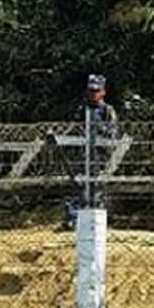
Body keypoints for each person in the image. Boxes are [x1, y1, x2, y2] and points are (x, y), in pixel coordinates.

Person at [63, 74, 120, 230]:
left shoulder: (108, 110)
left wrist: (97, 129)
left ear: (103, 92)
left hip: (101, 155)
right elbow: (74, 128)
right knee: (79, 186)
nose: (93, 94)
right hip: (83, 155)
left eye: (96, 91)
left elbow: (114, 134)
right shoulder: (83, 109)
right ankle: (74, 220)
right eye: (91, 91)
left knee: (98, 189)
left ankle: (98, 221)